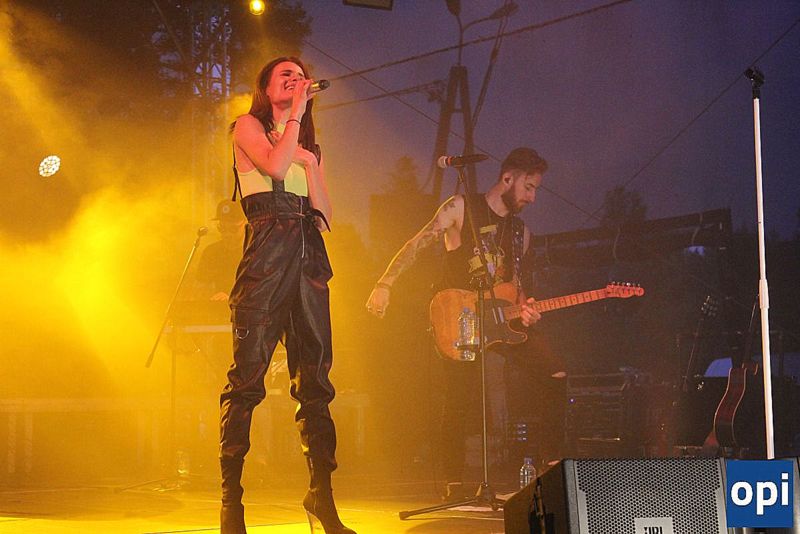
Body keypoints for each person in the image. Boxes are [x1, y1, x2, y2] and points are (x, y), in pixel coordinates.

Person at [365, 147, 564, 498]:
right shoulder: (460, 207)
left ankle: (551, 467)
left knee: (555, 374)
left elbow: (516, 287)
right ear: (508, 178)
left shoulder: (521, 233)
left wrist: (527, 309)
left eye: (535, 189)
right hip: (462, 317)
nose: (532, 197)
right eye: (529, 187)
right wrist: (385, 284)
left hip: (502, 320)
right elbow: (417, 244)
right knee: (460, 396)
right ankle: (454, 482)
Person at [219, 56, 354, 534]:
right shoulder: (247, 126)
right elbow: (275, 164)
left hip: (308, 260)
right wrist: (297, 114)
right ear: (266, 86)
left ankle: (322, 496)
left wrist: (312, 164)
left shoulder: (308, 147)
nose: (296, 81)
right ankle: (232, 503)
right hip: (266, 258)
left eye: (300, 77)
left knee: (315, 383)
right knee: (247, 381)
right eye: (286, 76)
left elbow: (326, 215)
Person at [196, 199, 247, 302]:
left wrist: (232, 299)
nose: (227, 234)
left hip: (242, 310)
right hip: (212, 309)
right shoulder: (210, 252)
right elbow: (200, 287)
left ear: (246, 225)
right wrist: (211, 296)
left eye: (233, 229)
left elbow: (262, 291)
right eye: (222, 228)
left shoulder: (254, 253)